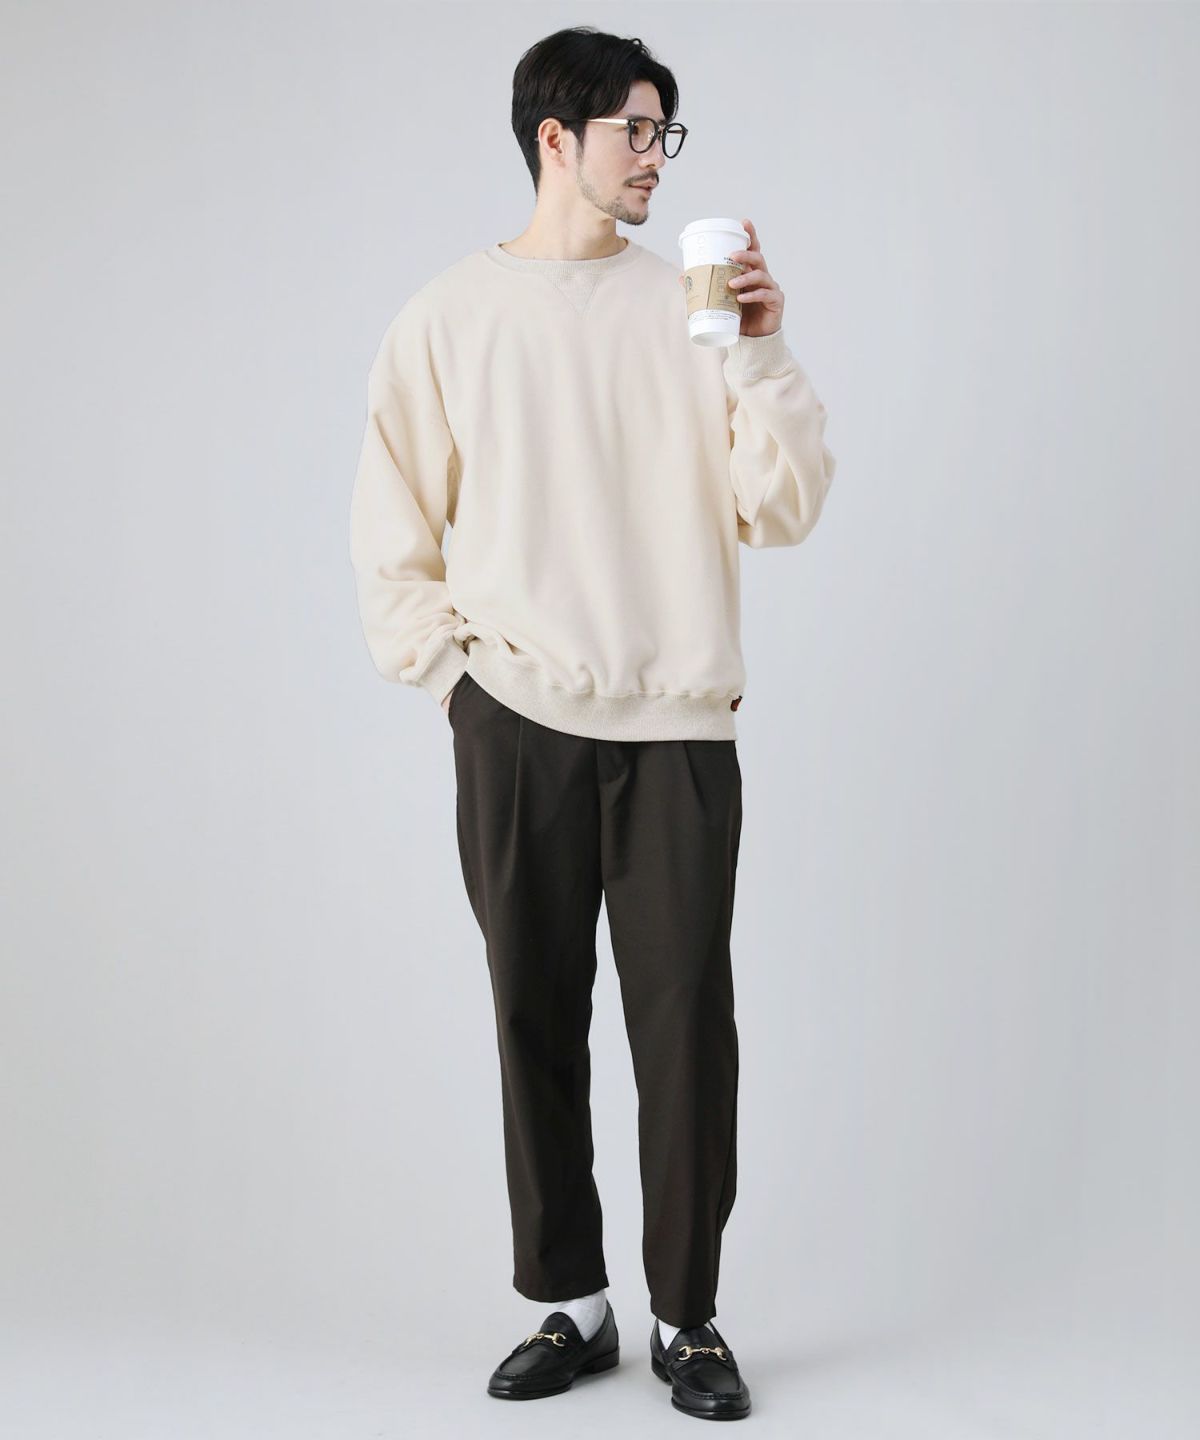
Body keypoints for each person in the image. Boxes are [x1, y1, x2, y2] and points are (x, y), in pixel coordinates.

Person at [348, 25, 837, 1422]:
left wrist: (763, 350)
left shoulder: (693, 313)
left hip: (677, 725)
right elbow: (392, 531)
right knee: (533, 1015)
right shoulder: (447, 317)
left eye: (665, 132)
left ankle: (687, 1316)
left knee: (686, 1029)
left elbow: (784, 508)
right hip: (517, 722)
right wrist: (456, 686)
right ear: (554, 139)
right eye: (637, 129)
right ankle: (571, 1300)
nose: (657, 157)